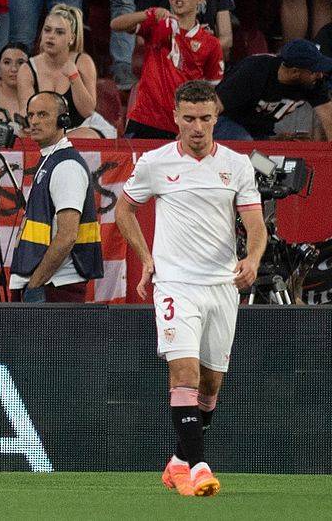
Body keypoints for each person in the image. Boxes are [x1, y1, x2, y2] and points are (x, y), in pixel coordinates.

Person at [116, 79, 266, 498]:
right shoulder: (154, 163)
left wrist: (252, 259)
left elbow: (255, 224)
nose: (197, 127)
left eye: (205, 118)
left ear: (216, 117)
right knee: (184, 373)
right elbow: (125, 210)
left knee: (211, 385)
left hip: (222, 286)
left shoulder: (237, 165)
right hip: (175, 285)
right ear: (175, 118)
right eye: (189, 119)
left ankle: (179, 461)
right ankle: (199, 469)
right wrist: (146, 258)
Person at [9, 91, 104, 303]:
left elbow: (67, 235)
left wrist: (35, 284)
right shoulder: (51, 160)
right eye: (31, 115)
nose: (34, 121)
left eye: (42, 114)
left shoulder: (66, 166)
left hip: (54, 286)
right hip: (48, 284)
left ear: (63, 120)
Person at [113, 0, 224, 139]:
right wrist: (147, 13)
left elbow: (210, 93)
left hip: (180, 126)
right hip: (145, 119)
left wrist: (196, 125)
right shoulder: (158, 24)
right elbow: (116, 25)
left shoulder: (211, 43)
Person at [214, 39, 332, 141]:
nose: (320, 75)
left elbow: (329, 118)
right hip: (228, 120)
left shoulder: (313, 82)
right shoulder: (254, 70)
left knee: (277, 154)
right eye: (314, 71)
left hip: (260, 130)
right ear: (295, 72)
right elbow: (214, 106)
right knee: (247, 145)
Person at [16, 5, 99, 138]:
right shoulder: (27, 69)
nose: (51, 36)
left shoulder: (83, 62)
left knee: (88, 135)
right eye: (47, 30)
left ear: (71, 38)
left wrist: (74, 77)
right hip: (44, 134)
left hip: (79, 131)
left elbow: (88, 112)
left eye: (59, 32)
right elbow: (27, 113)